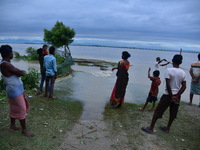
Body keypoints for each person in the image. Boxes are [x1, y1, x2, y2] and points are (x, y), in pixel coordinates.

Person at [141, 54, 186, 134]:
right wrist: (177, 96)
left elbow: (168, 84)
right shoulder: (183, 73)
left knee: (158, 111)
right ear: (181, 62)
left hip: (168, 96)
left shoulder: (168, 70)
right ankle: (167, 128)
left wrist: (172, 96)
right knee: (173, 113)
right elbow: (184, 87)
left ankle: (151, 128)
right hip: (177, 96)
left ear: (172, 60)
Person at [0, 45, 35, 137]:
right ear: (9, 53)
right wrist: (19, 71)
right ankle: (24, 130)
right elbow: (21, 73)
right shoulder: (5, 64)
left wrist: (17, 72)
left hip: (15, 90)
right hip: (14, 91)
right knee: (21, 109)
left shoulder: (6, 63)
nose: (12, 54)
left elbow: (17, 73)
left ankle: (12, 126)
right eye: (12, 52)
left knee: (14, 107)